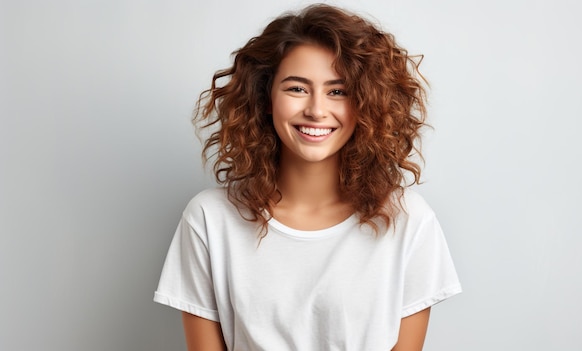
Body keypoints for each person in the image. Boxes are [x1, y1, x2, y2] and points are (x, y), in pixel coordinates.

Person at [154, 4, 461, 350]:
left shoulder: (408, 221)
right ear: (266, 97)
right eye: (297, 89)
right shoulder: (209, 219)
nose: (316, 110)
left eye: (338, 91)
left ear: (365, 103)